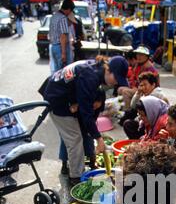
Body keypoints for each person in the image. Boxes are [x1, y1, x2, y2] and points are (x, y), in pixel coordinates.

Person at [39, 56, 129, 185]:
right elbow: (86, 113)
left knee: (79, 132)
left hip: (66, 96)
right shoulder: (90, 77)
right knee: (74, 138)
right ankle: (76, 178)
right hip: (57, 100)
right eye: (116, 78)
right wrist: (98, 138)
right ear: (108, 70)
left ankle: (76, 168)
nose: (116, 83)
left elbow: (87, 113)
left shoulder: (95, 70)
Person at [123, 72, 168, 139]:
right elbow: (133, 106)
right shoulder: (144, 94)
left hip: (154, 124)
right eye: (141, 85)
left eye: (145, 85)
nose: (142, 88)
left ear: (153, 85)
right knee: (128, 118)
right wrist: (138, 92)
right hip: (146, 122)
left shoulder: (158, 96)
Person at [49, 0, 75, 73]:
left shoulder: (54, 16)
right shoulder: (63, 18)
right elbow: (63, 36)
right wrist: (63, 53)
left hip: (53, 46)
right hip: (60, 47)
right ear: (69, 9)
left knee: (57, 72)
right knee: (64, 72)